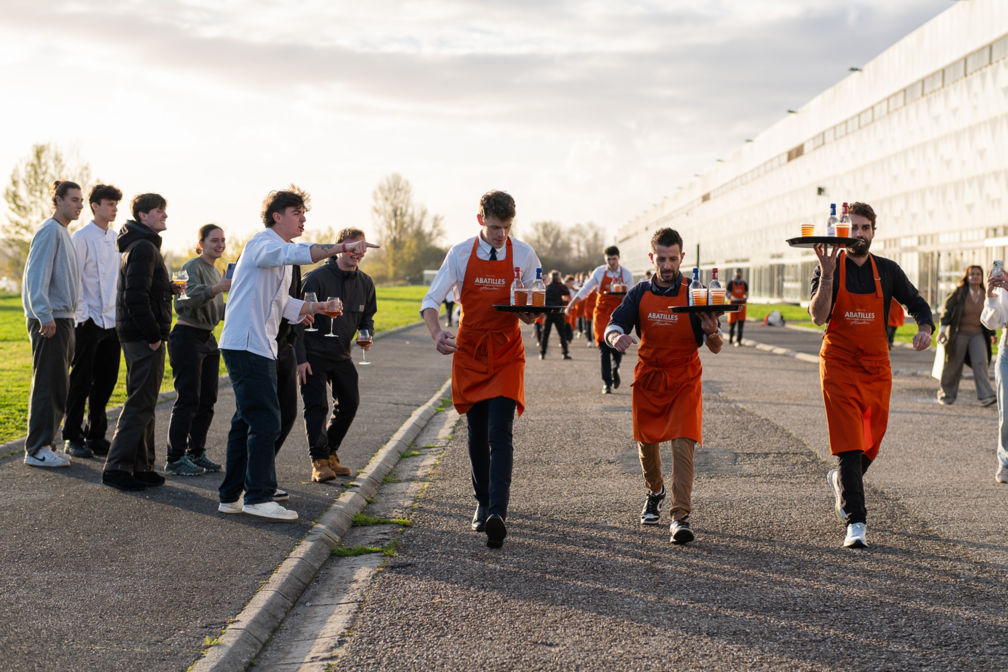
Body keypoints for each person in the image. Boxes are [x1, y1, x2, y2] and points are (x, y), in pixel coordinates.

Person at [216, 186, 378, 520]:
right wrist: (339, 247)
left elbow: (282, 302)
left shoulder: (279, 251)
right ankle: (258, 497)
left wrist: (316, 307)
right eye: (297, 213)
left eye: (304, 213)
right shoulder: (263, 244)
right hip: (247, 344)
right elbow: (297, 254)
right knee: (265, 419)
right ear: (277, 216)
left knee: (245, 421)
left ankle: (231, 495)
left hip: (257, 344)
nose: (303, 219)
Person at [809, 202, 933, 548]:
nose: (859, 233)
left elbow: (918, 304)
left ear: (874, 232)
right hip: (839, 364)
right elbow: (818, 316)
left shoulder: (888, 270)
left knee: (871, 441)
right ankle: (856, 523)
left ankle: (842, 480)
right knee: (849, 441)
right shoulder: (828, 266)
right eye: (853, 228)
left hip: (877, 367)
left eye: (865, 228)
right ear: (843, 231)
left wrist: (925, 328)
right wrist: (828, 274)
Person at [420, 190, 540, 548]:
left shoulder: (526, 254)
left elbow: (533, 311)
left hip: (506, 350)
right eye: (493, 227)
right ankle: (482, 501)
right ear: (480, 221)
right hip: (470, 351)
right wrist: (437, 332)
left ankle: (497, 512)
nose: (500, 234)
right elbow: (431, 300)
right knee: (476, 434)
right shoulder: (458, 254)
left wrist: (530, 312)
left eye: (506, 227)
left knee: (499, 432)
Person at [605, 228, 723, 544]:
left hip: (684, 377)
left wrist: (711, 331)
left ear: (682, 257)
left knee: (683, 443)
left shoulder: (696, 293)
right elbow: (615, 324)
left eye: (673, 259)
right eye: (661, 259)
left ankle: (680, 517)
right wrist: (615, 337)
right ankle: (654, 491)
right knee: (646, 443)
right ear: (652, 258)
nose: (667, 265)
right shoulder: (639, 292)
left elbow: (715, 345)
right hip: (649, 377)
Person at [102, 193, 182, 491]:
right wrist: (152, 336)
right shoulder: (145, 247)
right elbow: (134, 299)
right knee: (140, 403)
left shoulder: (139, 245)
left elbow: (142, 289)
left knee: (145, 401)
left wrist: (167, 287)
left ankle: (142, 465)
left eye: (165, 210)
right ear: (142, 216)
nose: (164, 215)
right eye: (159, 211)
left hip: (137, 334)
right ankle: (117, 467)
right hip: (142, 336)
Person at [296, 227, 377, 483]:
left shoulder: (365, 282)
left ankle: (330, 453)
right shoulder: (316, 278)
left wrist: (366, 335)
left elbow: (367, 318)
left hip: (342, 354)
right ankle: (318, 461)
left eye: (360, 247)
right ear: (340, 247)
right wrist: (300, 359)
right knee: (317, 407)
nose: (357, 252)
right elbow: (295, 319)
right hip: (312, 354)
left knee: (350, 403)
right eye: (352, 246)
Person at [21, 180, 82, 468]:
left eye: (81, 200)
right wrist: (44, 314)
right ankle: (36, 449)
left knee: (57, 384)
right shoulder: (49, 231)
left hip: (63, 318)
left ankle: (47, 443)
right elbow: (36, 277)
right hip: (51, 320)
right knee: (47, 384)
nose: (79, 205)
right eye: (74, 200)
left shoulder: (62, 232)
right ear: (57, 200)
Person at [164, 224, 231, 476]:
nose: (220, 245)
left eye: (223, 240)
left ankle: (196, 452)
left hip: (208, 338)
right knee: (188, 399)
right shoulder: (189, 267)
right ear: (201, 243)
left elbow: (216, 310)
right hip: (186, 336)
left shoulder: (216, 272)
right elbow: (182, 300)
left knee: (207, 400)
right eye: (214, 240)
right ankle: (175, 458)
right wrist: (217, 288)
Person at [64, 184, 123, 459]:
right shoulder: (81, 237)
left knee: (107, 380)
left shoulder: (116, 238)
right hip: (88, 321)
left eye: (115, 204)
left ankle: (96, 434)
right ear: (95, 206)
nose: (114, 209)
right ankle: (72, 436)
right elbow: (74, 279)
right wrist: (83, 315)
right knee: (81, 381)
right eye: (110, 204)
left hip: (112, 321)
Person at [568, 246, 634, 393]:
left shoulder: (627, 274)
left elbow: (631, 296)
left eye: (614, 259)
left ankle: (615, 369)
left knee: (617, 349)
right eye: (608, 259)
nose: (611, 262)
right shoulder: (599, 272)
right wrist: (572, 305)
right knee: (604, 348)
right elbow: (586, 290)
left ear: (618, 258)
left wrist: (622, 298)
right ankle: (607, 382)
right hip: (602, 313)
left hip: (619, 314)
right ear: (605, 259)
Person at [937, 266, 996, 406]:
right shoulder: (959, 292)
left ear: (982, 278)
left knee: (981, 362)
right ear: (967, 277)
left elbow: (990, 314)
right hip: (959, 333)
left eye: (978, 274)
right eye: (972, 274)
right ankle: (946, 395)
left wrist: (992, 333)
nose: (975, 276)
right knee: (953, 364)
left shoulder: (985, 294)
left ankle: (986, 396)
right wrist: (942, 330)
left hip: (978, 334)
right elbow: (946, 311)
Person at [981, 267, 1008, 483]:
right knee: (1005, 412)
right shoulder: (1003, 284)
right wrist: (990, 295)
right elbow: (993, 322)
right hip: (1007, 351)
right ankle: (1005, 462)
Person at [539, 270, 571, 360]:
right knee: (562, 334)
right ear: (558, 278)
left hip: (548, 313)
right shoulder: (559, 287)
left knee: (545, 334)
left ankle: (542, 353)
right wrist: (562, 283)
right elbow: (567, 292)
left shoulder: (547, 287)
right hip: (557, 313)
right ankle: (564, 353)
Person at [726, 268, 748, 346]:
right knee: (732, 324)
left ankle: (739, 340)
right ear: (734, 273)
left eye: (739, 273)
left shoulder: (744, 284)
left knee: (741, 325)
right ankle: (731, 338)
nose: (738, 274)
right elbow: (727, 293)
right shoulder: (730, 283)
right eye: (737, 272)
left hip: (742, 306)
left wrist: (745, 297)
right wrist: (730, 297)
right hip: (732, 306)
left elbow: (746, 293)